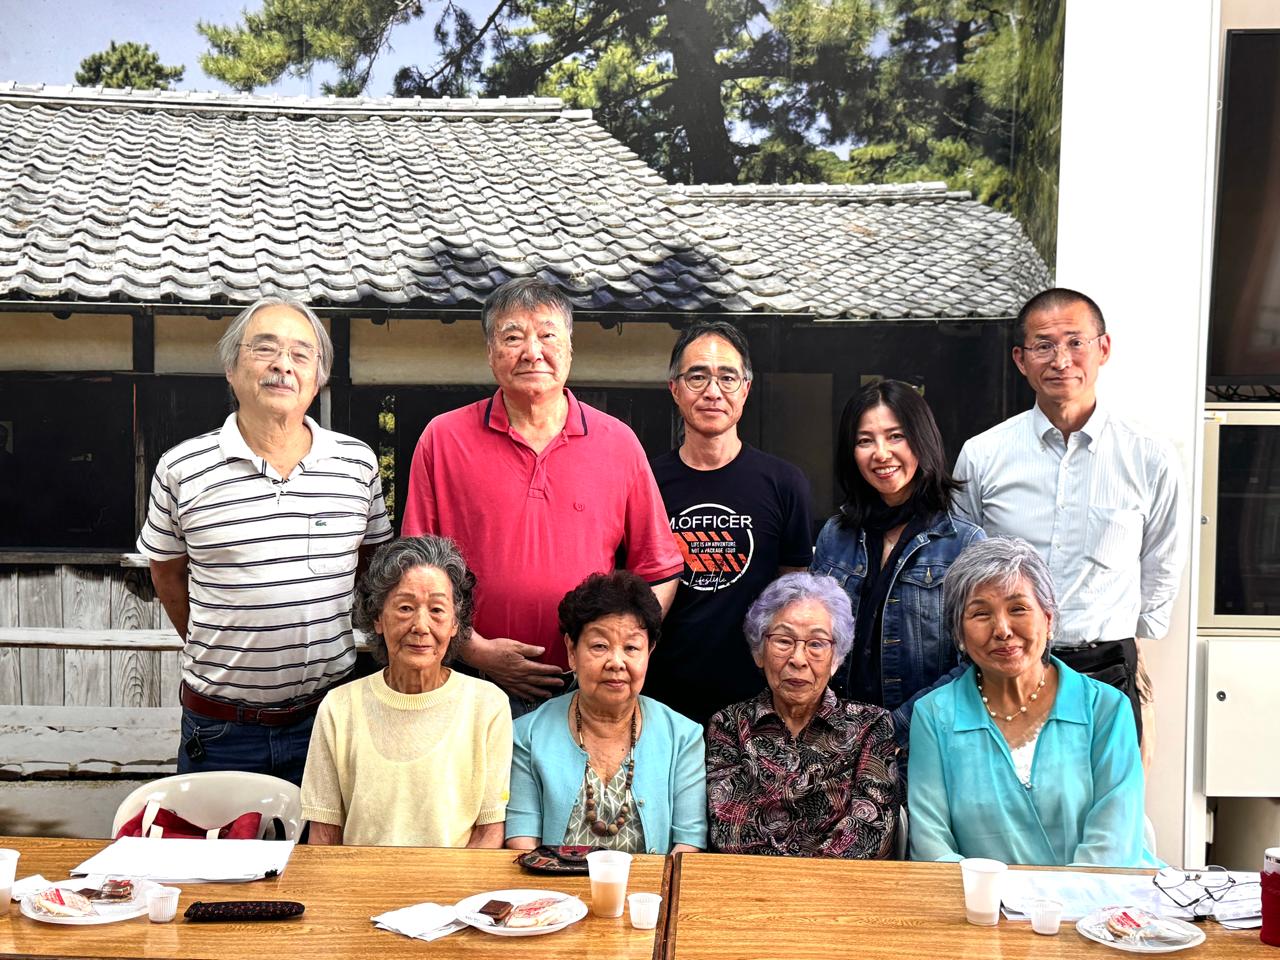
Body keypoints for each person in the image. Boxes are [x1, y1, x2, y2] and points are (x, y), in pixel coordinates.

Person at [138, 297, 393, 784]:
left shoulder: (356, 464)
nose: (283, 365)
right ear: (231, 369)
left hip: (327, 719)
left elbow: (372, 564)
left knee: (323, 859)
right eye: (265, 349)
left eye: (302, 354)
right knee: (214, 858)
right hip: (220, 727)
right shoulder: (181, 468)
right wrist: (224, 648)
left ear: (318, 377)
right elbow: (166, 572)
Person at [401, 278, 682, 716]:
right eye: (513, 337)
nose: (532, 351)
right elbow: (416, 575)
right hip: (471, 685)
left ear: (570, 349)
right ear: (491, 354)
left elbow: (660, 570)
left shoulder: (618, 443)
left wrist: (617, 650)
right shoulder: (443, 439)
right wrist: (475, 650)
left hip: (585, 690)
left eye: (548, 335)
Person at [953, 288, 1183, 759]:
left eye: (1075, 342)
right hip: (1005, 666)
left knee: (1107, 815)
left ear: (1103, 349)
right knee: (1007, 814)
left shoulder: (1149, 458)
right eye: (1043, 345)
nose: (1061, 360)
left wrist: (1121, 635)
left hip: (1107, 669)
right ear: (1021, 359)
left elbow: (1162, 564)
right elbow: (963, 566)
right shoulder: (983, 456)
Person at [908, 537, 1158, 867]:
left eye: (1018, 609)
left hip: (1092, 910)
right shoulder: (934, 715)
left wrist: (1046, 911)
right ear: (959, 635)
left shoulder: (1107, 709)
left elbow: (1112, 849)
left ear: (1049, 619)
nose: (1002, 629)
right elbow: (932, 848)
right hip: (982, 911)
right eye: (980, 613)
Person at [646, 321, 814, 724]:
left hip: (756, 703)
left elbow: (793, 594)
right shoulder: (645, 481)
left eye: (727, 377)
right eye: (697, 376)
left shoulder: (785, 483)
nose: (712, 391)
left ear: (746, 388)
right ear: (674, 388)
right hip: (660, 697)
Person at [301, 536, 511, 847]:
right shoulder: (340, 707)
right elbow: (324, 834)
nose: (421, 625)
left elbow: (489, 833)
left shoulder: (487, 705)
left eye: (437, 609)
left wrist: (451, 896)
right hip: (359, 889)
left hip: (454, 892)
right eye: (405, 608)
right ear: (377, 618)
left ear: (455, 623)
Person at [810, 380, 985, 746]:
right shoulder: (835, 534)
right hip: (838, 745)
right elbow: (814, 636)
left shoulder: (964, 544)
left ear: (922, 440)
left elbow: (975, 662)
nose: (881, 453)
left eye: (895, 436)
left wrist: (891, 731)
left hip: (927, 744)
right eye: (864, 441)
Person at [505, 571, 707, 854]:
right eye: (599, 646)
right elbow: (521, 840)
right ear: (571, 651)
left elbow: (688, 842)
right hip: (555, 894)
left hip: (647, 897)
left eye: (631, 647)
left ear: (649, 652)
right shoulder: (526, 735)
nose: (616, 662)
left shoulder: (683, 737)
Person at [706, 572, 898, 859]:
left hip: (839, 892)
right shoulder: (729, 725)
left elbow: (871, 829)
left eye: (817, 644)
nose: (798, 659)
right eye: (783, 641)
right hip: (751, 889)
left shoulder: (871, 726)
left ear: (836, 658)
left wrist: (806, 888)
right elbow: (728, 830)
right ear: (759, 652)